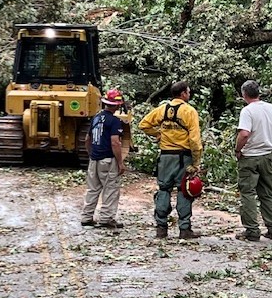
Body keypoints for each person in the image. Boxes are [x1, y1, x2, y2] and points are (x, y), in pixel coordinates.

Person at [138, 81, 203, 239]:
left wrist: (158, 134)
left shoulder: (162, 109)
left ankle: (161, 228)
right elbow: (194, 140)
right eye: (188, 92)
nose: (189, 94)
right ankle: (184, 229)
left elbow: (143, 124)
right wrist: (196, 162)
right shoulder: (189, 111)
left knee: (163, 189)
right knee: (184, 191)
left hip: (165, 157)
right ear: (183, 94)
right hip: (183, 157)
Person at [81, 88, 126, 231]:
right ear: (117, 105)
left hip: (94, 159)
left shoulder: (96, 118)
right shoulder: (114, 121)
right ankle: (106, 219)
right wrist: (120, 162)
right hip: (107, 160)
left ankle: (87, 217)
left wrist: (91, 154)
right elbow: (115, 143)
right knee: (110, 189)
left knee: (93, 189)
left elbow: (87, 139)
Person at [234, 80, 272, 242]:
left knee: (248, 193)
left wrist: (238, 150)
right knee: (268, 192)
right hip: (268, 154)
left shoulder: (247, 111)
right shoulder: (270, 108)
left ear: (244, 94)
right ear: (259, 92)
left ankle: (252, 230)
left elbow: (244, 134)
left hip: (250, 156)